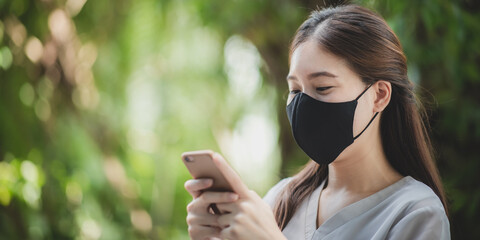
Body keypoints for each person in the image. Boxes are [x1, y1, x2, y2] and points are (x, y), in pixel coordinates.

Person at [184, 4, 450, 240]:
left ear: (379, 95)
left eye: (322, 88)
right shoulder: (281, 199)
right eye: (296, 90)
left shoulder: (416, 214)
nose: (303, 106)